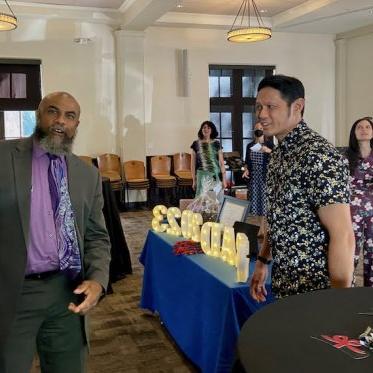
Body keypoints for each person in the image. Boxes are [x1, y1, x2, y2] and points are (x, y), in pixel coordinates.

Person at [0, 92, 111, 372]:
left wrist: (97, 280)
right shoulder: (3, 158)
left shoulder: (88, 175)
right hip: (13, 293)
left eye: (70, 116)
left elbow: (97, 236)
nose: (60, 121)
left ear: (77, 124)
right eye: (53, 112)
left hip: (67, 294)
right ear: (39, 115)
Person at [250, 75, 355, 301]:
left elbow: (343, 235)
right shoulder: (278, 155)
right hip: (285, 278)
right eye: (259, 106)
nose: (261, 114)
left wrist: (341, 302)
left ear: (297, 106)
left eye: (271, 107)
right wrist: (262, 260)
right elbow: (276, 215)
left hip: (318, 289)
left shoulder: (319, 155)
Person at [345, 117, 373, 287]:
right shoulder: (345, 157)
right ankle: (348, 293)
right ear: (354, 133)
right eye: (359, 127)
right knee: (350, 253)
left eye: (368, 127)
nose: (364, 129)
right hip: (350, 212)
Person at [242, 122, 273, 227]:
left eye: (260, 128)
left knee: (264, 204)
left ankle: (264, 228)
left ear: (264, 130)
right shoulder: (250, 145)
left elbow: (277, 156)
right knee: (255, 203)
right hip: (254, 177)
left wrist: (267, 150)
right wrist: (246, 169)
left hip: (264, 177)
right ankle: (260, 227)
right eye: (256, 128)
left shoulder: (269, 145)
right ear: (254, 131)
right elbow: (246, 162)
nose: (258, 130)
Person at [190, 121, 227, 197]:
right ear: (201, 130)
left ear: (212, 130)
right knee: (201, 200)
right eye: (204, 127)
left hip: (215, 175)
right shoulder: (196, 144)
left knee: (215, 200)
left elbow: (221, 163)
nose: (206, 129)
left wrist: (224, 179)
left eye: (208, 128)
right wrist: (194, 180)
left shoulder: (216, 144)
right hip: (201, 176)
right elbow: (192, 165)